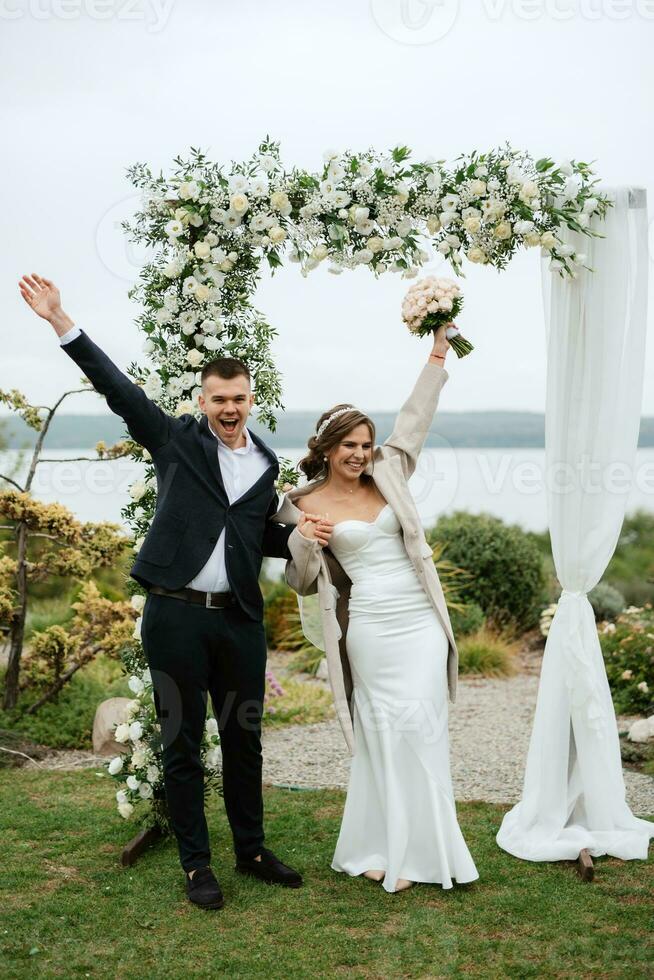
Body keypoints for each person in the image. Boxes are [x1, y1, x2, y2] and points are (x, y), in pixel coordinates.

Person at [18, 273, 330, 911]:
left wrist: (304, 538)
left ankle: (252, 850)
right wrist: (60, 320)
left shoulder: (266, 464)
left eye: (239, 397)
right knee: (182, 742)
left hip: (238, 621)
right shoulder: (173, 441)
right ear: (201, 400)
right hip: (175, 620)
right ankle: (197, 866)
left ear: (250, 398)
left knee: (245, 739)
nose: (230, 408)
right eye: (219, 399)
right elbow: (117, 389)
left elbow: (251, 536)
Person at [272, 323, 479, 894]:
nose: (361, 454)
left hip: (419, 621)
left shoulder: (390, 472)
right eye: (350, 447)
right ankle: (377, 846)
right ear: (327, 451)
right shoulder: (300, 505)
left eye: (366, 444)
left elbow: (414, 419)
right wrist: (306, 541)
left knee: (423, 728)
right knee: (382, 734)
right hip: (368, 629)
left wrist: (437, 354)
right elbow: (299, 581)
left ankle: (429, 850)